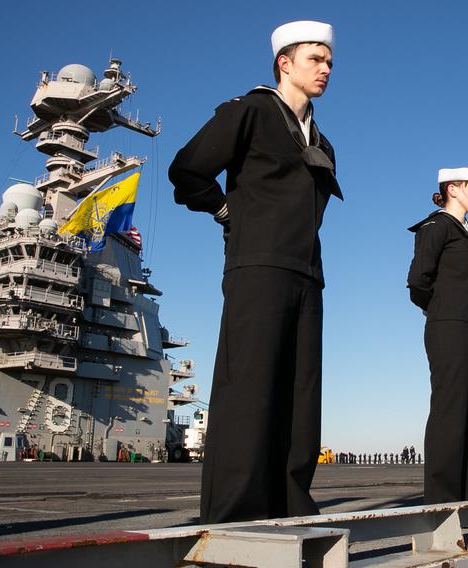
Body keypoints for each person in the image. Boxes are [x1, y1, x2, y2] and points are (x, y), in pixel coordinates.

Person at [169, 20, 339, 523]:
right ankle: (234, 513)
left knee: (301, 393)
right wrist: (227, 213)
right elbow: (188, 169)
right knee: (249, 387)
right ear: (285, 63)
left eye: (329, 61)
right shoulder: (250, 111)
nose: (326, 68)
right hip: (258, 266)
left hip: (308, 274)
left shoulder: (323, 142)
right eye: (315, 59)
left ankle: (289, 503)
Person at [407, 167, 468, 503]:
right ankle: (442, 500)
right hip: (450, 325)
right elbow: (417, 281)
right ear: (452, 189)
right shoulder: (436, 226)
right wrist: (440, 310)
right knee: (451, 408)